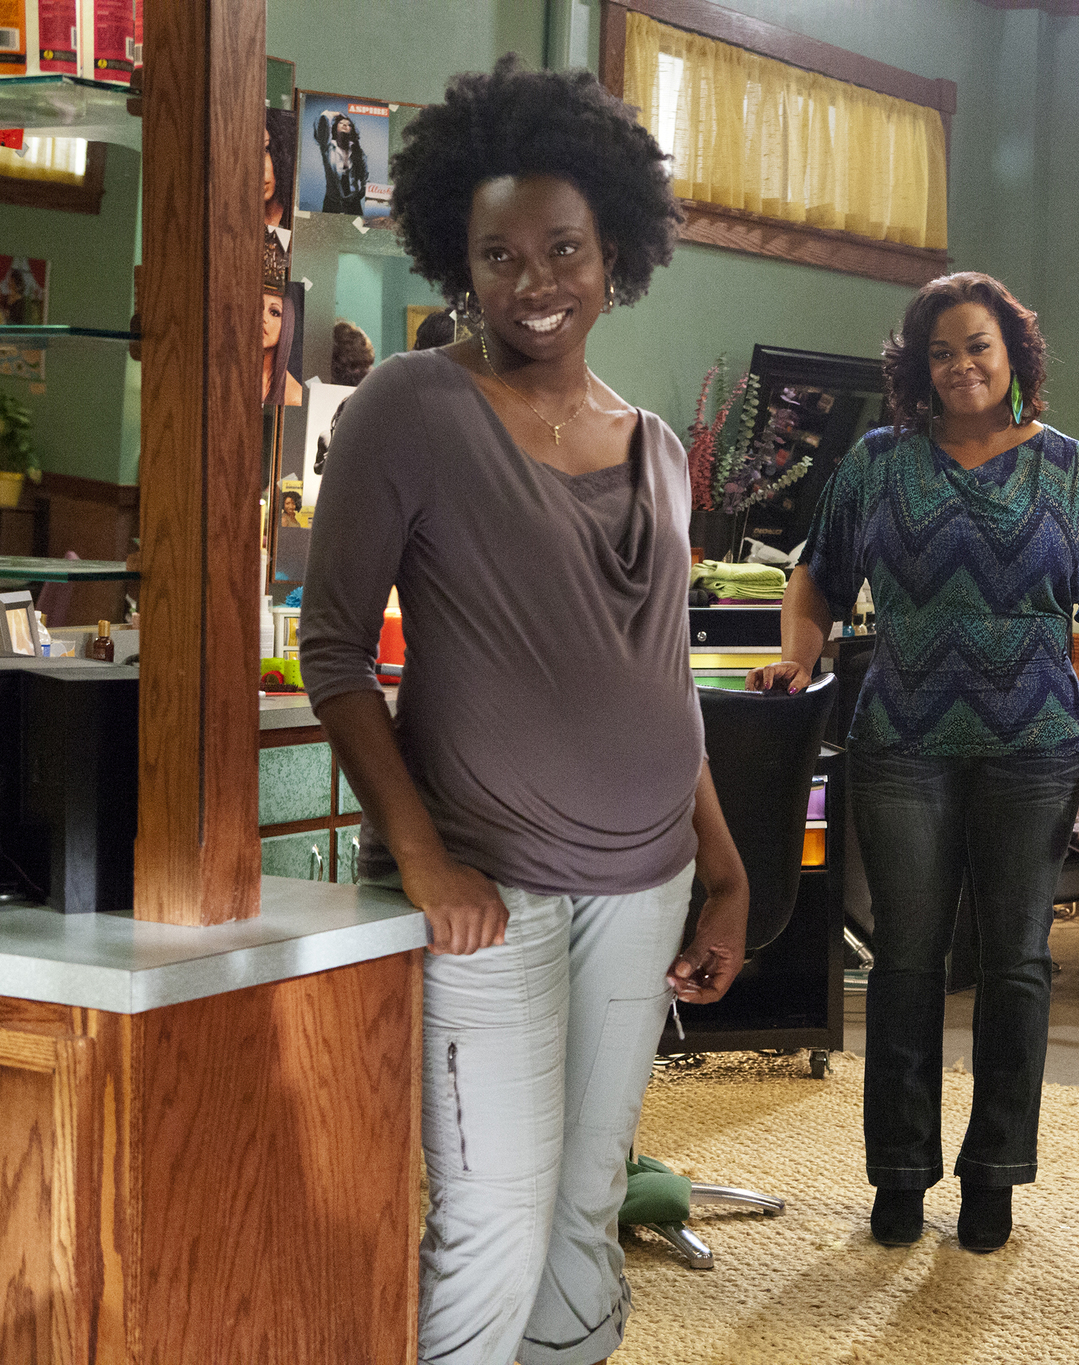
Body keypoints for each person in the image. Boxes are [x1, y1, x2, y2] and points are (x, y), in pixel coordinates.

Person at [300, 57, 745, 1365]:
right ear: (458, 261)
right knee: (493, 1213)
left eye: (564, 248)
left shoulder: (658, 447)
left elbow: (662, 680)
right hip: (485, 889)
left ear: (617, 253)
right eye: (498, 255)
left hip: (647, 883)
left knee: (587, 1204)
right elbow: (335, 654)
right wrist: (425, 855)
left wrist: (722, 869)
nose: (534, 281)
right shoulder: (414, 404)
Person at [746, 271, 1079, 1255]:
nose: (960, 366)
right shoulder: (878, 465)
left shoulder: (1072, 470)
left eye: (977, 346)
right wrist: (797, 652)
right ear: (916, 368)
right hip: (901, 748)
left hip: (1034, 751)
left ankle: (994, 1177)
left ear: (1013, 355)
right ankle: (898, 1175)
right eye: (939, 352)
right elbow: (814, 578)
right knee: (906, 966)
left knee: (1014, 968)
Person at [314, 109, 370, 215]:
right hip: (332, 202)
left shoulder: (357, 151)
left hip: (353, 203)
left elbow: (365, 177)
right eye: (341, 123)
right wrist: (334, 114)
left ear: (351, 130)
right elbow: (321, 125)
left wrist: (359, 194)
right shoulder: (328, 147)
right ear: (335, 128)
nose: (345, 125)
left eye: (348, 124)